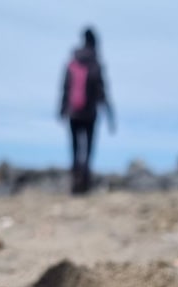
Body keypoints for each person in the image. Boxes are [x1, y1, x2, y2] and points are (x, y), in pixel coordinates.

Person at [60, 27, 115, 195]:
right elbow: (102, 90)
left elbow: (65, 87)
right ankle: (84, 185)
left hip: (73, 112)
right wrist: (110, 114)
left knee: (75, 149)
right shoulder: (95, 63)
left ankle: (75, 185)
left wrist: (62, 109)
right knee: (88, 151)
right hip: (90, 113)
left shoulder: (73, 62)